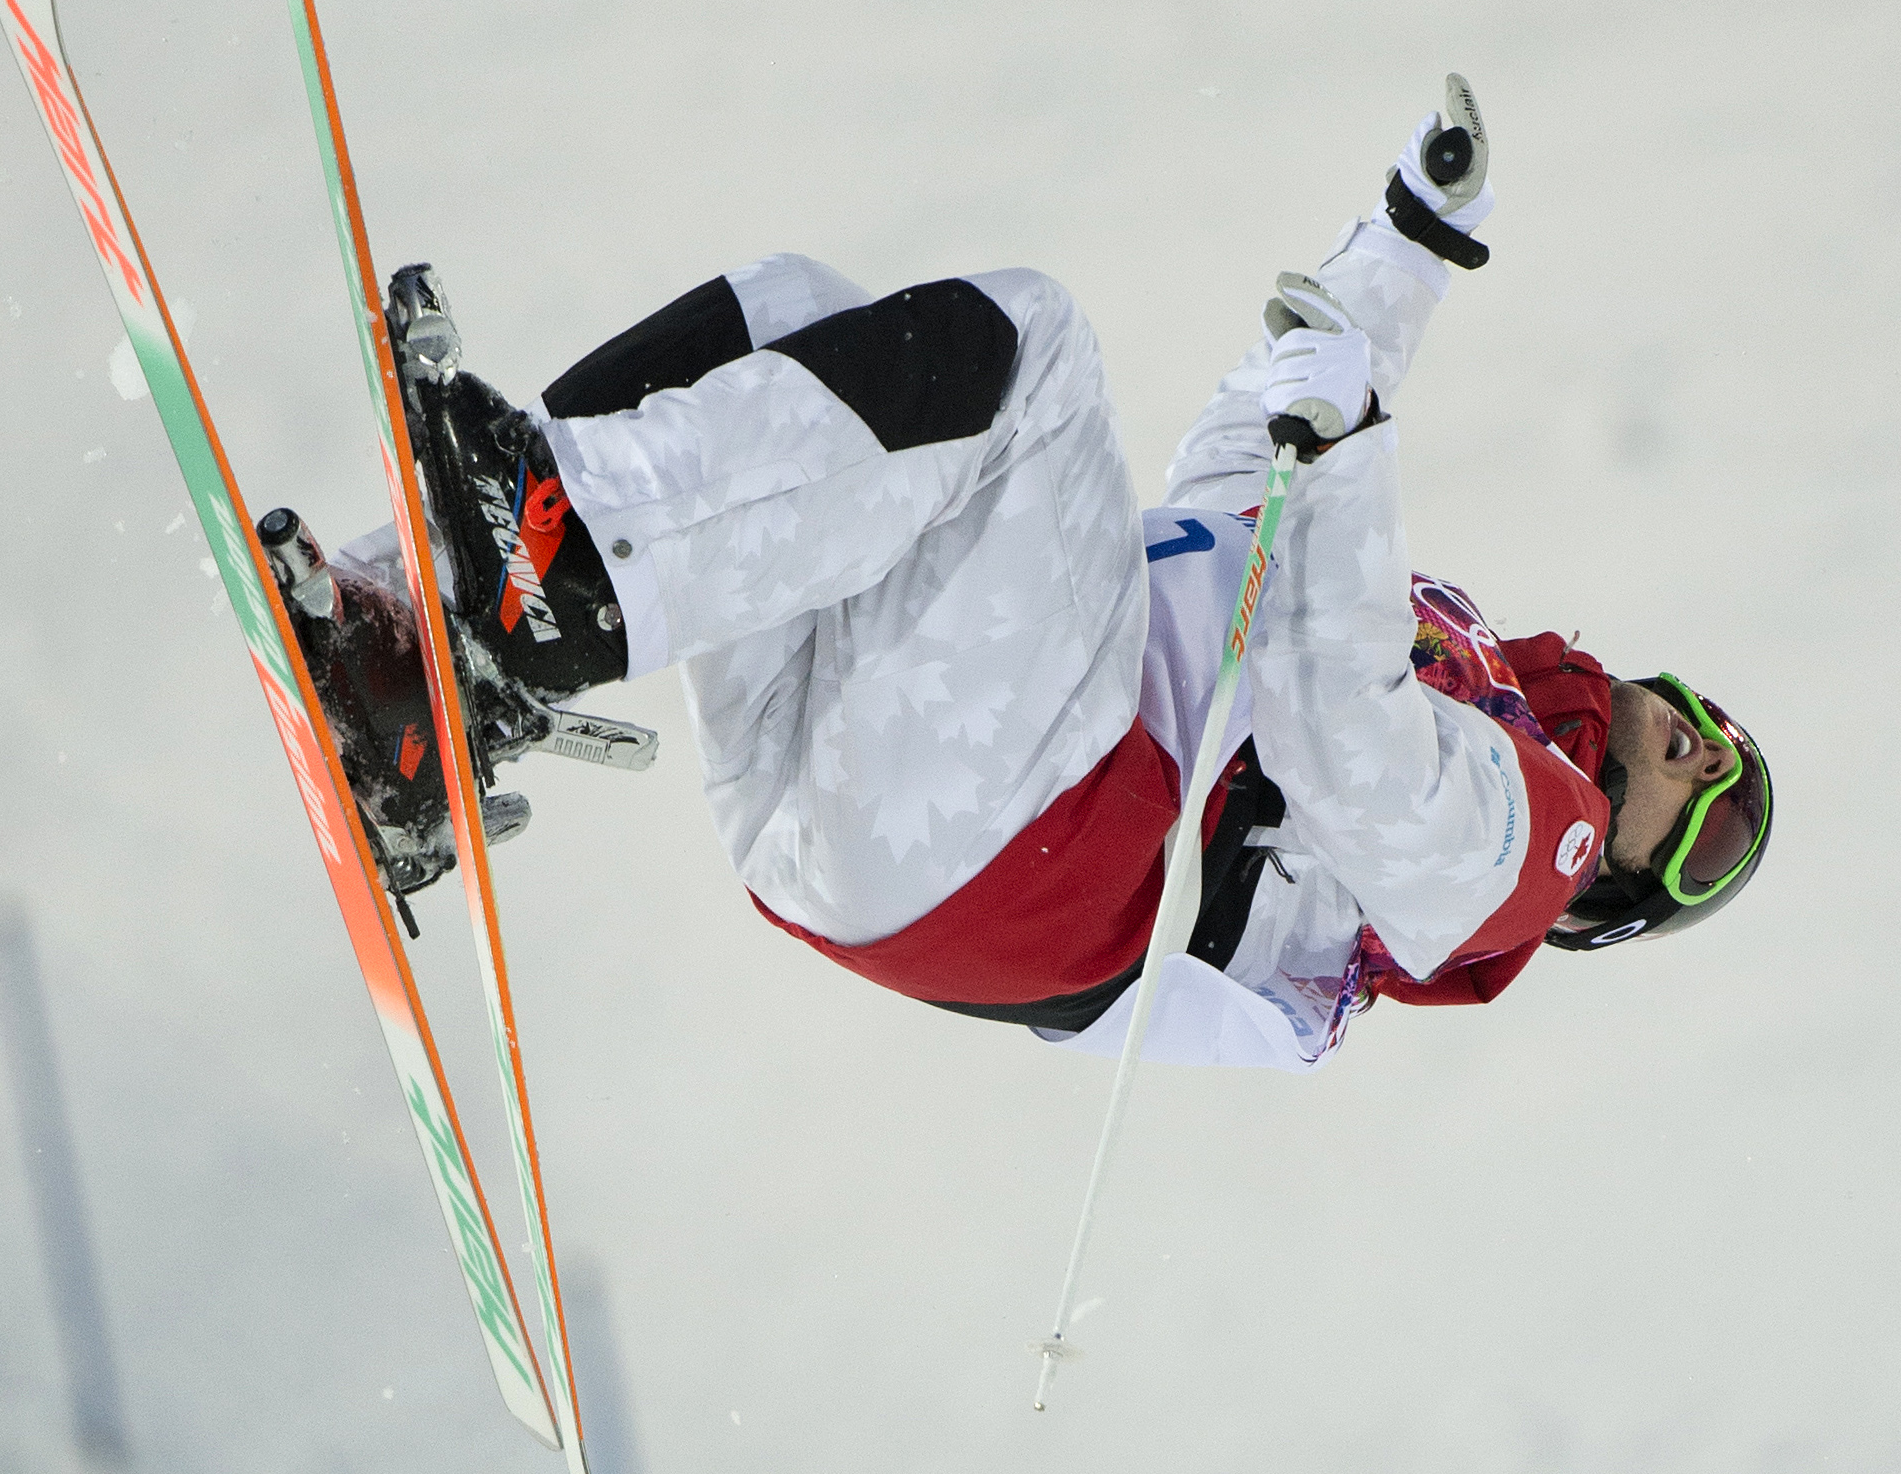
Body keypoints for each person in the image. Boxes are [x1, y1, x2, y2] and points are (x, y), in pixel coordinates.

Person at [263, 81, 1772, 1071]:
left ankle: (559, 582)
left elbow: (1344, 739)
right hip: (913, 810)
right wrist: (1407, 248)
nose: (1706, 765)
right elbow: (1249, 479)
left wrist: (1355, 436)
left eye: (1713, 838)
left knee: (1028, 348)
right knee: (792, 312)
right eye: (1724, 741)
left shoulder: (1521, 854)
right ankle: (425, 664)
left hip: (1044, 851)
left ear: (1621, 891)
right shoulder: (1467, 675)